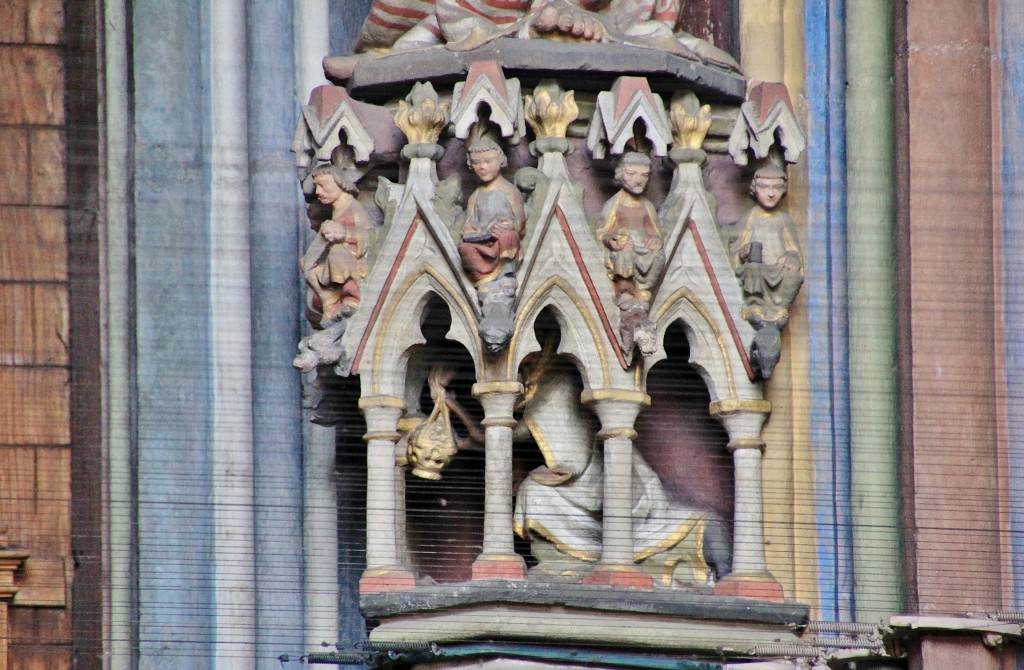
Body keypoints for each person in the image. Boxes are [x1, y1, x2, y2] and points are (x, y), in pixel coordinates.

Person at [511, 341, 732, 586]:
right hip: (579, 485)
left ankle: (618, 557)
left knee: (621, 502)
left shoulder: (559, 381)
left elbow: (572, 454)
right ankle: (569, 560)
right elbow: (513, 430)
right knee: (532, 492)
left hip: (605, 474)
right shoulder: (536, 387)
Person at [457, 139, 527, 353]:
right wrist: (471, 230)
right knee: (464, 250)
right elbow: (468, 221)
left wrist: (509, 225)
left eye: (488, 161)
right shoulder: (476, 195)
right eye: (477, 162)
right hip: (482, 242)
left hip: (502, 243)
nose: (482, 167)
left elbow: (520, 223)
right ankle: (484, 280)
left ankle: (505, 275)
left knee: (508, 237)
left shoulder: (509, 190)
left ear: (501, 162)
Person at [597, 152, 665, 354]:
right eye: (632, 173)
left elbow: (654, 232)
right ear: (620, 175)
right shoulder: (614, 204)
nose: (638, 179)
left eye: (644, 175)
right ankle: (625, 292)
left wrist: (655, 240)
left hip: (643, 247)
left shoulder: (647, 206)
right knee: (625, 253)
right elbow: (604, 232)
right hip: (624, 247)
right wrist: (614, 239)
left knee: (658, 255)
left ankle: (642, 293)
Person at [730, 163, 803, 328]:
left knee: (794, 277)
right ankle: (754, 303)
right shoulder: (751, 217)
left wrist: (792, 257)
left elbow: (793, 248)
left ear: (783, 190)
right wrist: (743, 252)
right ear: (755, 189)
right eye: (764, 187)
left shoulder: (783, 219)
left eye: (776, 188)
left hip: (777, 268)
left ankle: (779, 308)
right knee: (753, 268)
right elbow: (736, 246)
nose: (771, 193)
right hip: (757, 269)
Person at [302, 165, 373, 328]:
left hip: (352, 259)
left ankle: (350, 298)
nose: (318, 191)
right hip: (338, 258)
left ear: (339, 183)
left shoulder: (352, 206)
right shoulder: (337, 209)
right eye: (317, 187)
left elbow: (370, 235)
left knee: (337, 254)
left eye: (323, 185)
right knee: (307, 263)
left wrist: (345, 233)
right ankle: (330, 301)